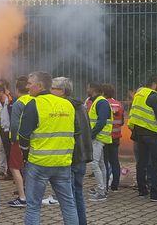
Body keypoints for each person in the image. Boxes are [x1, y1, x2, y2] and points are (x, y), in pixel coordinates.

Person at [18, 71, 78, 225]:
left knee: (33, 207)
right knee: (68, 204)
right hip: (63, 163)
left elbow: (23, 136)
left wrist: (25, 155)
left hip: (39, 163)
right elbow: (76, 132)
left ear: (39, 86)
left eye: (30, 84)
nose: (27, 87)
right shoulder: (67, 104)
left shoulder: (34, 104)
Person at [52, 77, 93, 225]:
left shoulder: (63, 107)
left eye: (53, 88)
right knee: (78, 193)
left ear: (62, 91)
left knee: (69, 198)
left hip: (70, 157)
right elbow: (87, 131)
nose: (50, 91)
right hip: (82, 156)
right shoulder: (81, 106)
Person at [7, 75, 31, 208]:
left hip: (18, 139)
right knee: (29, 167)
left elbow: (15, 124)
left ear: (17, 90)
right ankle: (30, 193)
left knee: (14, 167)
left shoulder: (19, 103)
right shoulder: (34, 100)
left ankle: (22, 197)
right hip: (33, 139)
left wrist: (12, 139)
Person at [87, 82, 113, 201]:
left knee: (94, 163)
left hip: (98, 138)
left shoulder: (101, 102)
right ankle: (102, 190)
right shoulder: (99, 102)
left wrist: (91, 135)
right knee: (101, 164)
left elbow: (101, 122)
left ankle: (101, 191)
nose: (87, 90)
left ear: (93, 89)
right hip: (99, 138)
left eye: (88, 87)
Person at [103, 83, 124, 192]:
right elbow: (122, 122)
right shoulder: (119, 104)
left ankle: (104, 185)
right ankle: (115, 185)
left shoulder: (102, 104)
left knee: (104, 162)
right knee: (115, 161)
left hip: (105, 137)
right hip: (116, 137)